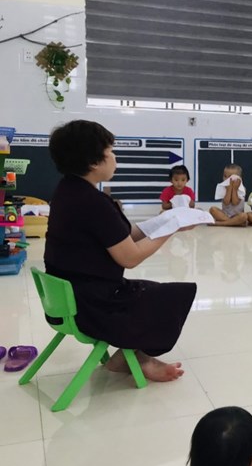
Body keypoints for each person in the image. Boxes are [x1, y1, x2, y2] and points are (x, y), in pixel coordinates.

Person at [44, 120, 197, 383]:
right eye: (110, 151)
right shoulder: (93, 203)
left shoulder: (68, 191)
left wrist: (166, 221)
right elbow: (130, 256)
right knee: (176, 295)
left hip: (70, 298)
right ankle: (138, 358)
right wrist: (171, 228)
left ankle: (128, 357)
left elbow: (122, 235)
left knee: (154, 290)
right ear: (94, 161)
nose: (115, 157)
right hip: (93, 305)